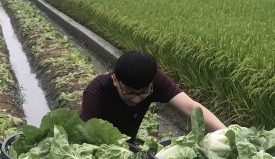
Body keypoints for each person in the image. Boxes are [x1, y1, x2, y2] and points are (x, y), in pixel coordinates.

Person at [81, 50, 225, 140]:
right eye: (129, 93)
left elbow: (191, 107)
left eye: (143, 93)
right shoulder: (95, 92)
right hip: (98, 145)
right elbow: (86, 137)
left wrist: (228, 134)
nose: (136, 99)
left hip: (126, 146)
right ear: (115, 80)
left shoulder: (155, 80)